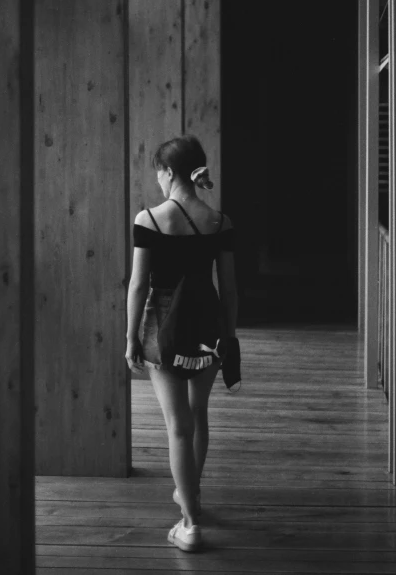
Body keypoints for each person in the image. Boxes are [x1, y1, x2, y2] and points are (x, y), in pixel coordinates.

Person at [125, 135, 238, 553]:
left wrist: (131, 336)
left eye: (158, 171)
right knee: (198, 414)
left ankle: (189, 524)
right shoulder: (219, 221)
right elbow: (229, 288)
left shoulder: (149, 219)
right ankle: (192, 495)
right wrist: (229, 336)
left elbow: (139, 286)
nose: (157, 179)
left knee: (177, 425)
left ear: (168, 172)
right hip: (207, 323)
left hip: (163, 325)